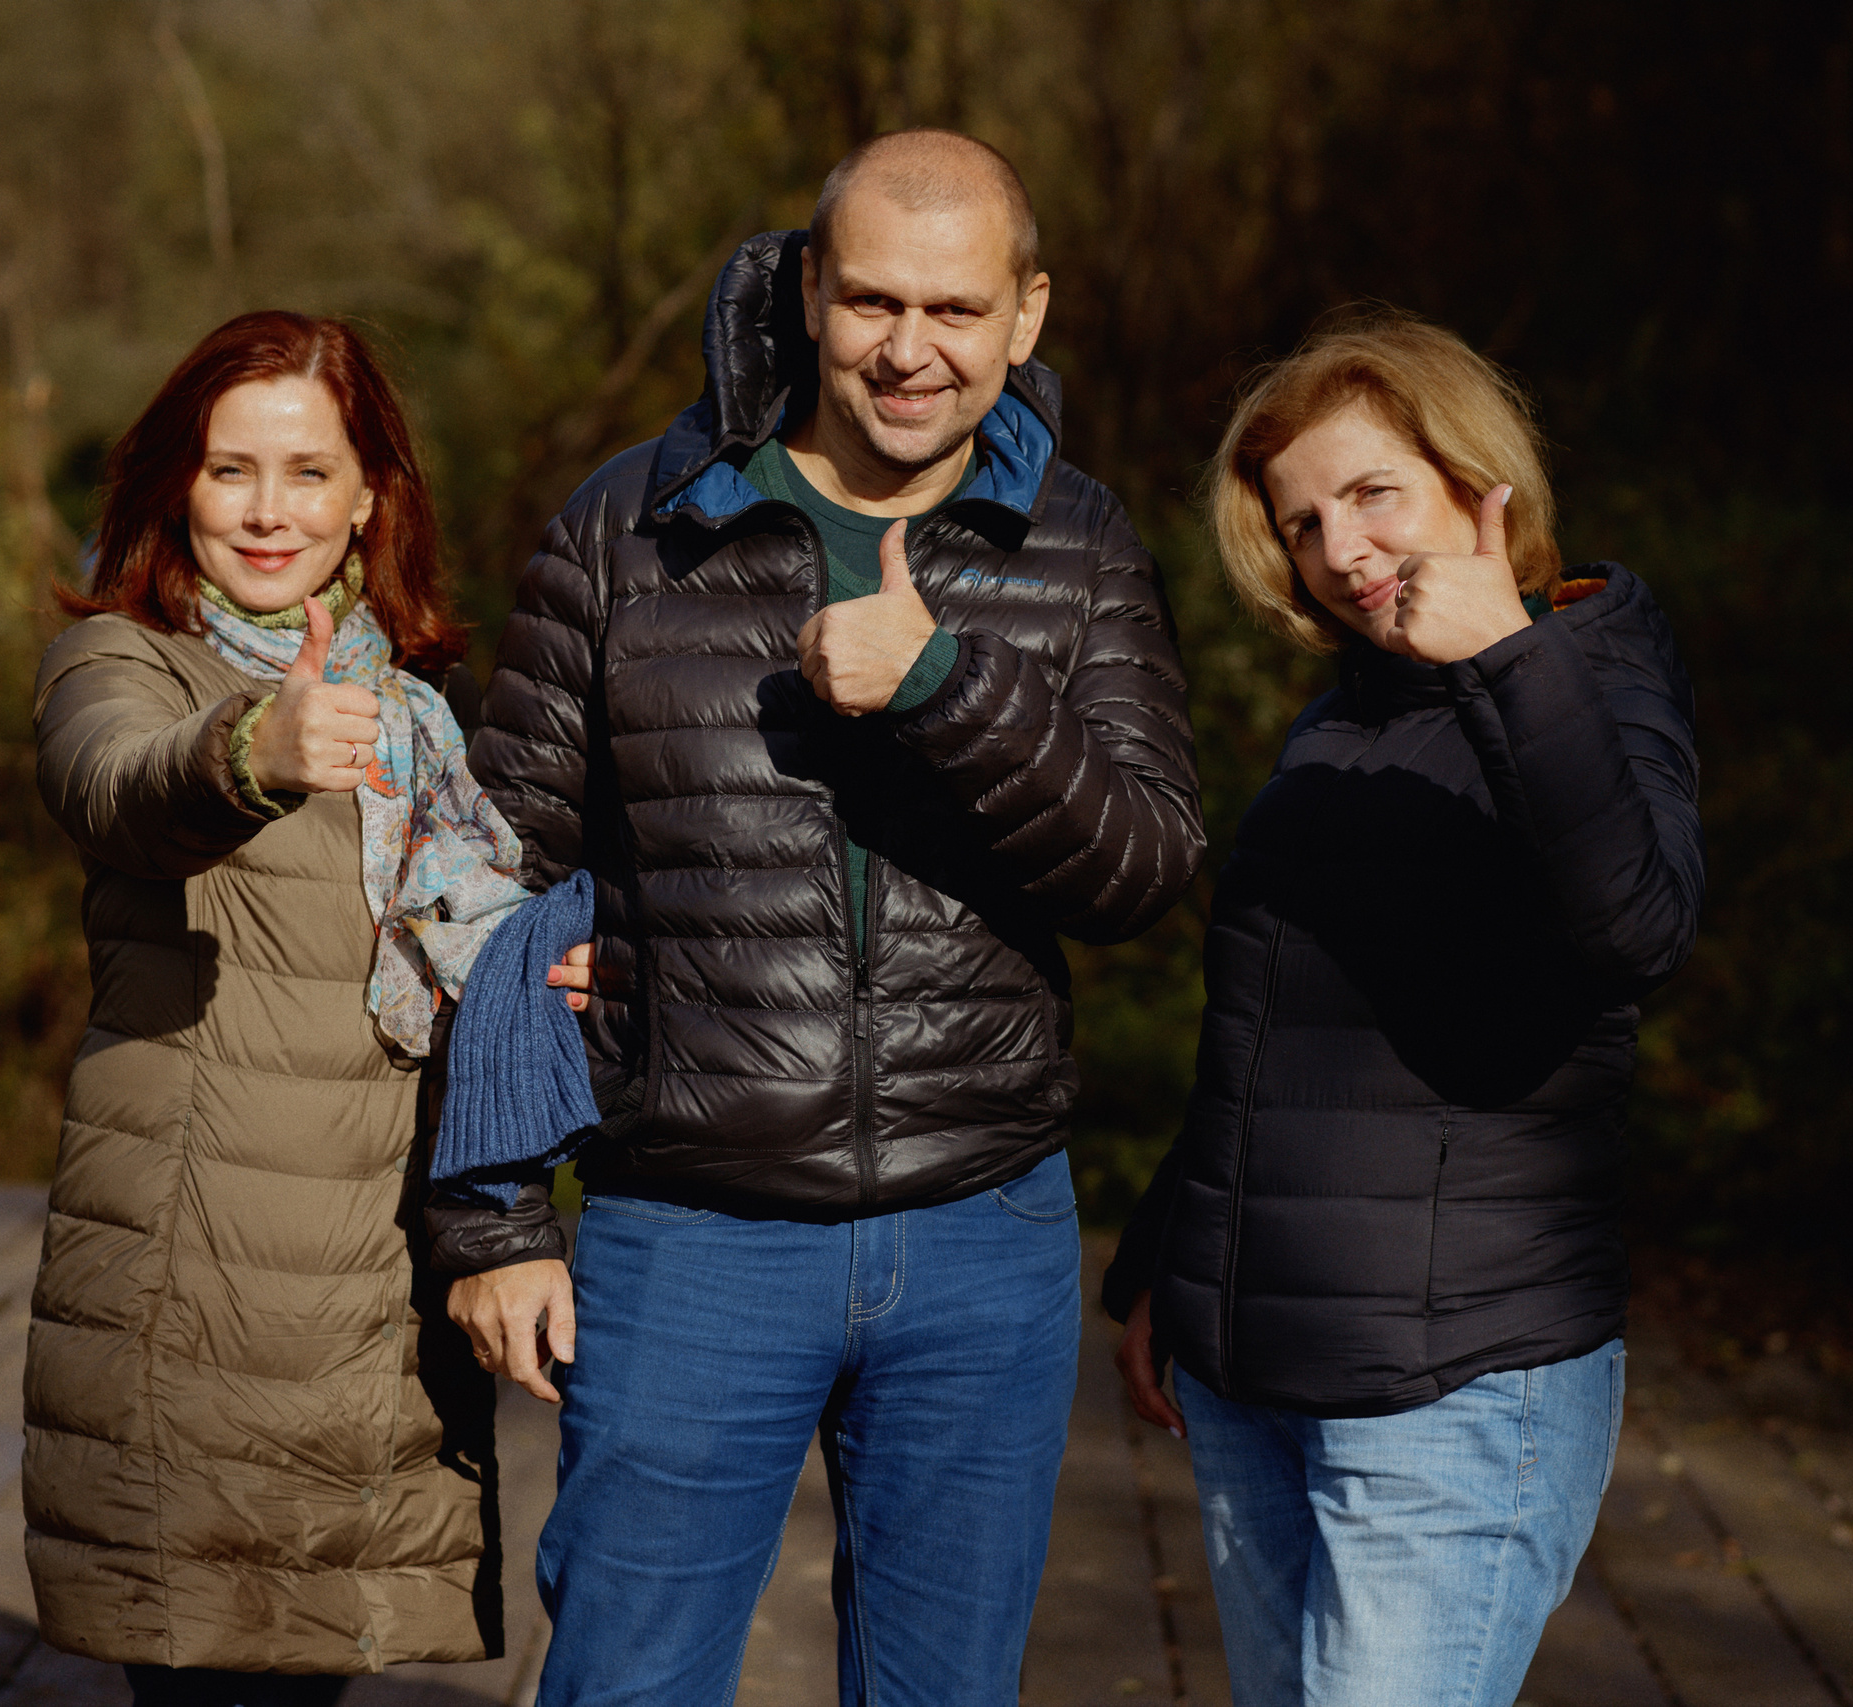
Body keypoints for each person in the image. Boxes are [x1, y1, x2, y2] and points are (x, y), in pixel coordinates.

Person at [448, 129, 1205, 1704]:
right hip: (689, 1233)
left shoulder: (1078, 543)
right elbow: (485, 881)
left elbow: (1140, 872)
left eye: (956, 309)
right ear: (807, 290)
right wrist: (492, 1216)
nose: (910, 351)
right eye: (872, 302)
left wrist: (950, 688)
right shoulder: (629, 527)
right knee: (623, 1687)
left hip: (983, 1231)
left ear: (1027, 312)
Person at [1103, 311, 1703, 1707]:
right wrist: (1168, 1267)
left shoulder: (1594, 667)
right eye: (1305, 524)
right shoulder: (1348, 717)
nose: (1343, 549)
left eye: (1373, 492)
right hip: (1257, 1383)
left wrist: (1506, 659)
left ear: (1473, 474)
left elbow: (1639, 931)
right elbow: (1277, 1028)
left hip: (1451, 1390)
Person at [27, 311, 538, 1706]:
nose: (268, 512)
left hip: (377, 1293)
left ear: (369, 495)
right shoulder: (121, 664)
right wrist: (254, 748)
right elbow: (116, 787)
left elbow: (467, 944)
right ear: (175, 486)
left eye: (308, 472)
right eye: (229, 469)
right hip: (200, 1296)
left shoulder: (420, 709)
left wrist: (544, 968)